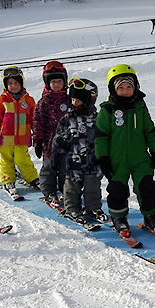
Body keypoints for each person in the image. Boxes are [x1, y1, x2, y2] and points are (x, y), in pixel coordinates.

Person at [95, 64, 155, 239]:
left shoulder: (140, 106)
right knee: (117, 189)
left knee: (147, 187)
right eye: (121, 88)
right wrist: (102, 158)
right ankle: (119, 218)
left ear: (136, 87)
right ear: (113, 89)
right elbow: (101, 137)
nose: (125, 91)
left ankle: (151, 215)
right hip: (117, 160)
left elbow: (150, 130)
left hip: (140, 158)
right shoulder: (107, 110)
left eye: (129, 87)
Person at [52, 78, 107, 223]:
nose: (74, 103)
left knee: (93, 188)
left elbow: (104, 138)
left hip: (93, 163)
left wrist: (105, 156)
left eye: (78, 100)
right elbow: (58, 138)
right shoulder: (67, 119)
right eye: (72, 99)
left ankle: (93, 208)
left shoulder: (98, 119)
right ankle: (72, 209)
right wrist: (58, 152)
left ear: (89, 100)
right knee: (72, 188)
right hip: (73, 163)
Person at [0, 66, 40, 197]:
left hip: (22, 137)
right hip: (4, 138)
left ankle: (32, 178)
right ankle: (7, 180)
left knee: (23, 159)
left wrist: (37, 132)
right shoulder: (2, 100)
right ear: (6, 85)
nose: (13, 86)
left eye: (16, 82)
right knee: (6, 160)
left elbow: (34, 119)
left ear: (21, 83)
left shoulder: (28, 101)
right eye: (10, 83)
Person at [32, 60, 70, 206]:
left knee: (65, 169)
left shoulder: (68, 100)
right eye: (53, 82)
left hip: (67, 144)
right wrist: (37, 141)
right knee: (49, 169)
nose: (56, 84)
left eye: (59, 81)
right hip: (49, 144)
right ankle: (48, 192)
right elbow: (37, 123)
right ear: (48, 83)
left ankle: (64, 191)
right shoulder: (43, 102)